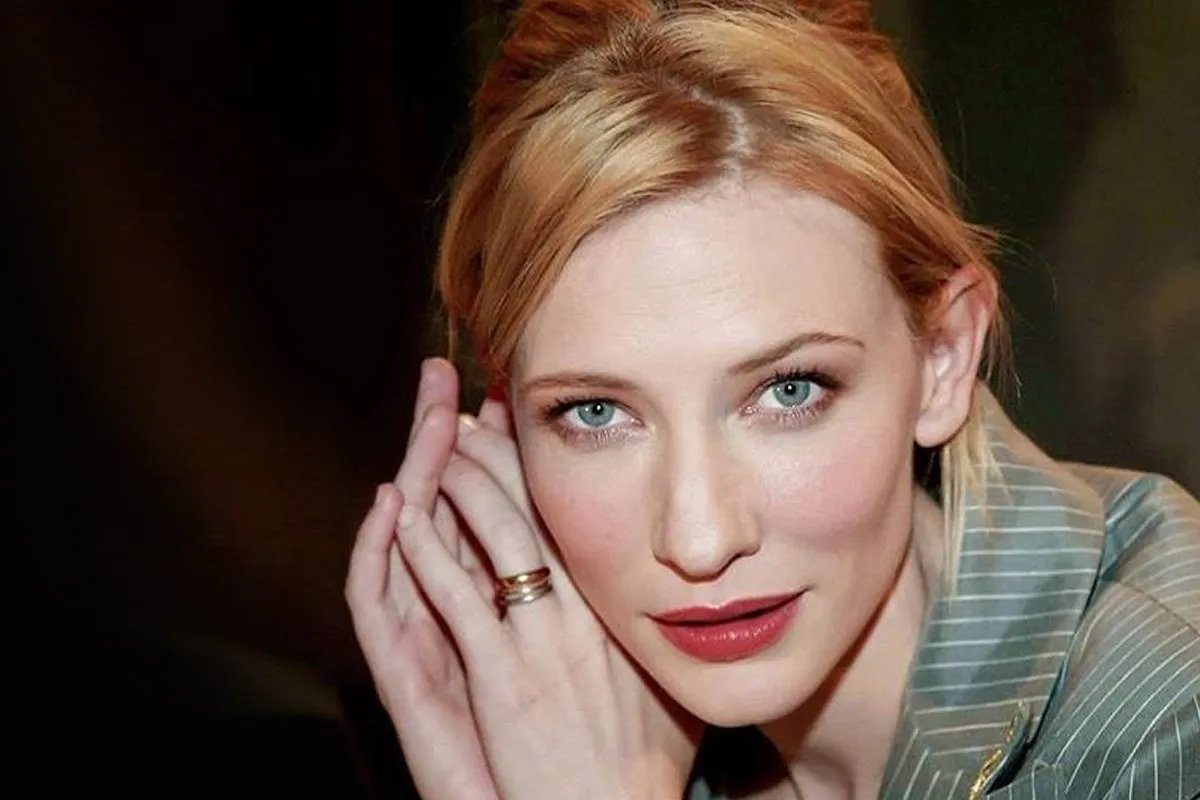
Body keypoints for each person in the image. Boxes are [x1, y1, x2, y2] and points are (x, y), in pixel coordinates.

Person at [345, 1, 1200, 797]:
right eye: (594, 413)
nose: (700, 540)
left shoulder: (1166, 716)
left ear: (942, 355)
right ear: (504, 427)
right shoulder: (557, 735)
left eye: (789, 391)